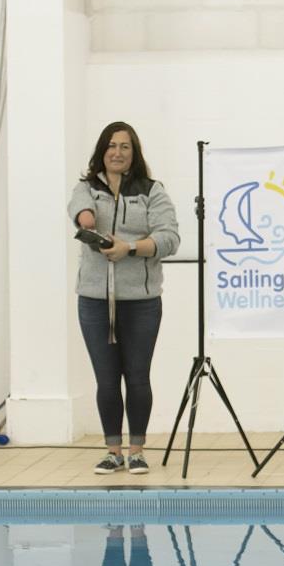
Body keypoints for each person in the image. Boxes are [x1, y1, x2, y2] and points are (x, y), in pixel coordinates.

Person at [68, 121, 180, 474]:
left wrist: (129, 247)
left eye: (125, 146)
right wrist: (88, 224)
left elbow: (169, 239)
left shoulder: (152, 191)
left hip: (141, 302)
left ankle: (137, 450)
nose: (117, 152)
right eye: (111, 145)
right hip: (94, 301)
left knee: (137, 376)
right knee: (105, 377)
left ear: (135, 153)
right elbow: (80, 211)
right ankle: (112, 450)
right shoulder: (87, 187)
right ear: (102, 150)